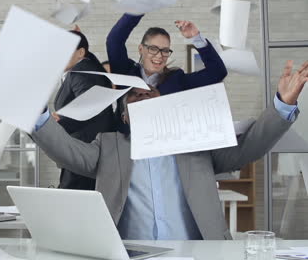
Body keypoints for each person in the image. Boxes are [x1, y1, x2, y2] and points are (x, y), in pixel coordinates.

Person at [31, 60, 308, 240]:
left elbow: (249, 148)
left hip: (199, 252)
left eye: (151, 94)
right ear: (125, 116)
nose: (144, 96)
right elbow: (67, 152)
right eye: (135, 96)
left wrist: (282, 104)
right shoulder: (109, 144)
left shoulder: (195, 143)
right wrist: (36, 112)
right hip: (129, 253)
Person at [106, 14, 228, 133]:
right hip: (125, 148)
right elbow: (114, 40)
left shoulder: (176, 80)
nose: (159, 56)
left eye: (165, 51)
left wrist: (196, 38)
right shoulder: (125, 72)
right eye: (153, 49)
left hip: (164, 146)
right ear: (141, 49)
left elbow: (217, 72)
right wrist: (139, 7)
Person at [53, 30, 115, 190]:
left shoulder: (80, 73)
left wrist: (59, 121)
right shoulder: (89, 68)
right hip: (90, 151)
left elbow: (90, 106)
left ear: (81, 52)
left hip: (82, 150)